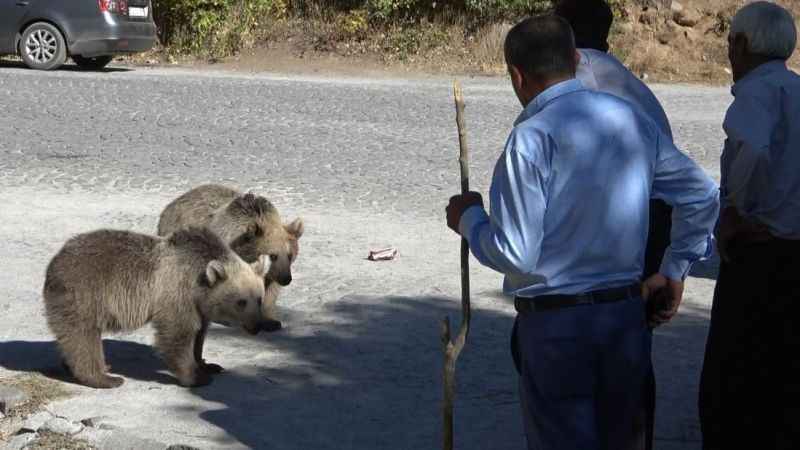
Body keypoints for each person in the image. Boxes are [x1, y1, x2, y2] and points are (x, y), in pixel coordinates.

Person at [445, 15, 719, 450]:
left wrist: (469, 220)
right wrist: (674, 267)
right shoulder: (628, 118)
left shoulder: (530, 140)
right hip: (623, 321)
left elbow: (517, 253)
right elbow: (702, 194)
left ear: (516, 76)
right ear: (576, 59)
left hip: (556, 329)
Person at [553, 1, 676, 447]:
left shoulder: (565, 90)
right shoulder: (637, 89)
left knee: (565, 344)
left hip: (602, 236)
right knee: (630, 348)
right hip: (649, 226)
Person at [698, 3, 800, 449]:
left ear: (739, 44)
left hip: (760, 255)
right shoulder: (796, 90)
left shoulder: (756, 92)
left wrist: (735, 210)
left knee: (732, 386)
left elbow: (753, 149)